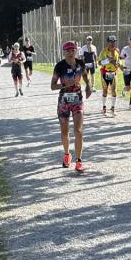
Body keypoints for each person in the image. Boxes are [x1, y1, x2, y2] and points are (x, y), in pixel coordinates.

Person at [51, 40, 92, 172]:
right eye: (67, 51)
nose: (70, 53)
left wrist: (88, 86)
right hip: (64, 101)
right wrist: (64, 84)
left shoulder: (80, 63)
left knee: (78, 130)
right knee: (65, 132)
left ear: (76, 51)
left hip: (77, 99)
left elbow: (85, 75)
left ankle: (79, 160)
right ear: (64, 52)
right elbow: (52, 86)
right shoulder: (59, 66)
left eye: (72, 50)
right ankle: (67, 154)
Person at [98, 34, 122, 116]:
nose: (112, 43)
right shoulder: (103, 51)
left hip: (113, 73)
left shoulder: (117, 51)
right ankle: (104, 108)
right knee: (105, 90)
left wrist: (120, 65)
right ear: (107, 43)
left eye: (114, 42)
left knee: (114, 91)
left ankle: (112, 108)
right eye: (111, 42)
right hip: (105, 73)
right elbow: (99, 63)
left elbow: (119, 61)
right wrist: (108, 60)